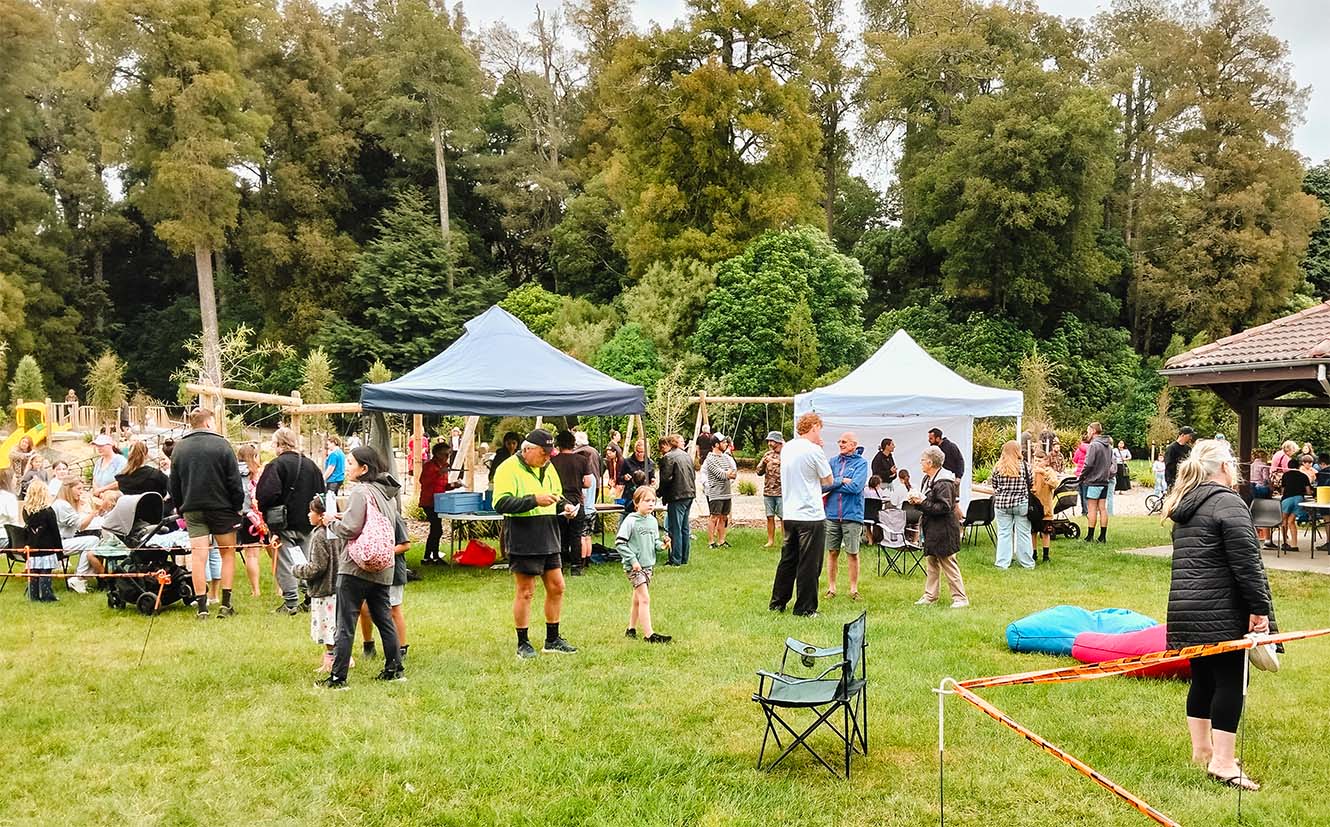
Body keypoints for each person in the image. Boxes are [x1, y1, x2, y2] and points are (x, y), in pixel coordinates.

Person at [1162, 439, 1275, 792]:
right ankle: (1223, 763)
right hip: (1220, 608)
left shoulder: (1186, 502)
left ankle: (1203, 751)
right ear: (1226, 467)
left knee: (1203, 679)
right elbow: (1248, 565)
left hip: (1186, 609)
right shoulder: (1228, 502)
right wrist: (1260, 609)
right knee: (1230, 680)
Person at [318, 447, 404, 688]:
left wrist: (331, 524)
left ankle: (338, 677)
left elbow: (352, 529)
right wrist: (343, 518)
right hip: (383, 566)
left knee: (345, 623)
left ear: (364, 468)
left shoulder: (360, 491)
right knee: (384, 619)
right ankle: (394, 668)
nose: (347, 467)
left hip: (355, 567)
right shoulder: (387, 495)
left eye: (351, 463)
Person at [492, 429, 581, 660]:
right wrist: (534, 500)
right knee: (526, 591)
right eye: (544, 453)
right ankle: (523, 643)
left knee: (557, 587)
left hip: (549, 532)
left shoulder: (548, 467)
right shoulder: (507, 468)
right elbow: (500, 503)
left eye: (550, 453)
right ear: (527, 449)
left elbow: (557, 495)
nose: (548, 457)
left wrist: (566, 507)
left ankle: (553, 639)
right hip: (523, 535)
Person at [170, 408, 244, 619]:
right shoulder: (222, 444)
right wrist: (237, 505)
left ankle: (202, 606)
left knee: (198, 557)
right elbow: (234, 481)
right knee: (227, 554)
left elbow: (174, 483)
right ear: (209, 423)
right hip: (222, 508)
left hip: (192, 508)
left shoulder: (180, 448)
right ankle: (226, 604)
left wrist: (179, 507)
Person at [256, 427, 327, 615]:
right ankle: (311, 597)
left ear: (279, 444)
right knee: (307, 561)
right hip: (308, 522)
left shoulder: (276, 465)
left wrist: (265, 510)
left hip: (283, 522)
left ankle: (290, 602)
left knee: (285, 561)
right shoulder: (312, 466)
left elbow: (266, 494)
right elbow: (322, 493)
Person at [770, 413, 834, 617]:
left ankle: (778, 601)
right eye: (819, 430)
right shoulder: (815, 450)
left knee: (788, 559)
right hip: (810, 515)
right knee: (809, 563)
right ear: (814, 427)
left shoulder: (788, 447)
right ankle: (805, 608)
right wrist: (820, 451)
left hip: (790, 512)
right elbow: (828, 480)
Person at [912, 446, 968, 608]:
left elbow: (944, 507)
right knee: (932, 562)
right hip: (932, 528)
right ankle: (930, 595)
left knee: (948, 562)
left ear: (930, 462)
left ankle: (960, 598)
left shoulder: (944, 482)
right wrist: (917, 502)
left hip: (944, 529)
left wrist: (922, 502)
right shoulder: (928, 479)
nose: (921, 463)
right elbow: (928, 504)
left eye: (923, 460)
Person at [617, 485, 672, 643]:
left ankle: (631, 629)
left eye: (653, 501)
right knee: (645, 599)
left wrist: (662, 545)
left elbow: (654, 542)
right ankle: (649, 635)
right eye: (646, 500)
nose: (650, 504)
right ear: (636, 503)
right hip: (635, 568)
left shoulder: (653, 521)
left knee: (637, 599)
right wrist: (633, 560)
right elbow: (620, 543)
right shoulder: (630, 521)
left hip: (648, 566)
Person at [293, 496, 339, 673]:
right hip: (338, 586)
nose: (308, 514)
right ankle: (343, 657)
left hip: (324, 589)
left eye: (312, 511)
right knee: (337, 625)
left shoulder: (320, 536)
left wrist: (297, 570)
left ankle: (331, 661)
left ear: (321, 515)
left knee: (328, 627)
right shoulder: (337, 532)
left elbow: (317, 567)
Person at [823, 432, 868, 600]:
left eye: (844, 442)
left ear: (853, 445)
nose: (840, 444)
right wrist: (841, 480)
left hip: (852, 514)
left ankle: (853, 589)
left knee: (852, 552)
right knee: (832, 552)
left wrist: (833, 484)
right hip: (832, 513)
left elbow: (856, 487)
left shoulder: (862, 463)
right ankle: (832, 588)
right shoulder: (832, 462)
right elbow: (822, 486)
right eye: (839, 441)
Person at [550, 430, 595, 575]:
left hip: (558, 501)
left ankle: (560, 566)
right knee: (576, 535)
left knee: (560, 534)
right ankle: (576, 567)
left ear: (558, 444)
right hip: (577, 501)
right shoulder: (582, 460)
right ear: (573, 443)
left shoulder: (553, 462)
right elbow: (588, 482)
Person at [52, 478, 106, 594]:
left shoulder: (62, 503)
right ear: (68, 489)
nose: (81, 492)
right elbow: (80, 525)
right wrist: (93, 512)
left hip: (62, 539)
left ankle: (83, 578)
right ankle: (80, 577)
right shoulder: (63, 505)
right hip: (59, 543)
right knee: (93, 540)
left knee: (92, 544)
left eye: (82, 489)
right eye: (78, 488)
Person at [988, 440, 1034, 569]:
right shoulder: (1025, 466)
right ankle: (1027, 563)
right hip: (1021, 503)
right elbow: (1030, 483)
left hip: (1002, 504)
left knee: (1004, 533)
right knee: (1024, 533)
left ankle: (1002, 563)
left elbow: (995, 485)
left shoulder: (998, 467)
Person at [656, 434, 695, 566]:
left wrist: (659, 493)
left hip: (677, 495)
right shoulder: (687, 456)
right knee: (684, 528)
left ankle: (675, 559)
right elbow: (693, 475)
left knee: (675, 528)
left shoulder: (668, 458)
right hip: (689, 493)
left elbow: (665, 479)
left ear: (669, 444)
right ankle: (684, 557)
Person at [234, 443, 267, 598]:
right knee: (274, 551)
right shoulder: (258, 474)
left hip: (245, 517)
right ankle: (281, 588)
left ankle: (256, 590)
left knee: (251, 555)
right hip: (260, 516)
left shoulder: (233, 473)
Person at [419, 443, 460, 565]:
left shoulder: (445, 467)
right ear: (437, 454)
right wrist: (439, 473)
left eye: (449, 454)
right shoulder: (429, 466)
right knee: (437, 529)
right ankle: (429, 557)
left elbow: (443, 486)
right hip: (429, 502)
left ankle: (432, 556)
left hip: (439, 501)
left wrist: (453, 485)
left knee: (436, 529)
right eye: (445, 454)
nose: (447, 456)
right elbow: (423, 481)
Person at [21, 482, 61, 602]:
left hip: (32, 546)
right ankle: (46, 595)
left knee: (33, 571)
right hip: (47, 547)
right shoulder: (48, 511)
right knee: (45, 572)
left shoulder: (26, 511)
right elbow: (55, 531)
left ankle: (33, 595)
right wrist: (59, 549)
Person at [1081, 422, 1114, 543]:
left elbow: (1088, 464)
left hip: (1093, 481)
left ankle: (1090, 536)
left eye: (1088, 430)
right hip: (1104, 481)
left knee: (1092, 508)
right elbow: (1111, 463)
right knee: (1103, 508)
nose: (1088, 433)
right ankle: (1102, 536)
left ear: (1093, 431)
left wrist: (1082, 476)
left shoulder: (1094, 445)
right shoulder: (1108, 446)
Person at [701, 434, 736, 547]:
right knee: (714, 517)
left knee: (724, 517)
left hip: (727, 492)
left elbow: (733, 472)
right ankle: (711, 542)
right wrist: (726, 473)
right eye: (724, 442)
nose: (726, 444)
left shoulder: (726, 457)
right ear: (716, 444)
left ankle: (721, 541)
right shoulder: (710, 459)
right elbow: (720, 474)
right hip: (716, 493)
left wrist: (728, 473)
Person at [573, 431, 603, 563]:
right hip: (592, 510)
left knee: (581, 537)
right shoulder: (593, 478)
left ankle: (582, 561)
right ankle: (589, 560)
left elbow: (582, 496)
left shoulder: (584, 479)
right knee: (589, 537)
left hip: (584, 510)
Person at [1277, 454, 1314, 551]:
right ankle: (1294, 545)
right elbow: (1308, 491)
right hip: (1299, 499)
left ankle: (1285, 542)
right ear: (1298, 466)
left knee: (1284, 520)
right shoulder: (1304, 476)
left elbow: (1283, 491)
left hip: (1287, 499)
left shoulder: (1286, 475)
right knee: (1291, 521)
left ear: (1288, 466)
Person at [755, 431, 784, 548]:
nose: (770, 443)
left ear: (778, 442)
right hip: (768, 491)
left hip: (782, 492)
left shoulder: (786, 455)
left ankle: (785, 541)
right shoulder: (767, 455)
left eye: (772, 441)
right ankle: (770, 540)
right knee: (769, 516)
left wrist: (779, 462)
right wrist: (763, 463)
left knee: (784, 518)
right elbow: (758, 472)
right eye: (769, 441)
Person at [1029, 450, 1058, 563]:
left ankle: (1046, 555)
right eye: (1035, 460)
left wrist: (1044, 475)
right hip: (1034, 508)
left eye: (1039, 460)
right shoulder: (1031, 471)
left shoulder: (1049, 471)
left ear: (1045, 461)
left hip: (1046, 508)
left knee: (1046, 532)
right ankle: (1033, 553)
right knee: (1033, 532)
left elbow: (1055, 483)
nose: (1037, 463)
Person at [620, 439, 655, 511]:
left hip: (644, 496)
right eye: (637, 451)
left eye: (641, 452)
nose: (639, 454)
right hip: (630, 496)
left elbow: (652, 477)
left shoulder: (650, 463)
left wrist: (653, 480)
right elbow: (620, 478)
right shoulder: (627, 461)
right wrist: (624, 477)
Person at [90, 433, 127, 498]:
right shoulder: (98, 462)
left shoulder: (120, 461)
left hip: (115, 496)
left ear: (110, 445)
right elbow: (94, 479)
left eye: (101, 446)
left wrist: (101, 490)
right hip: (99, 495)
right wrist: (97, 491)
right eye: (97, 446)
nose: (99, 448)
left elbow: (121, 482)